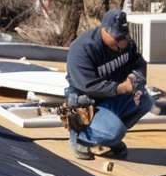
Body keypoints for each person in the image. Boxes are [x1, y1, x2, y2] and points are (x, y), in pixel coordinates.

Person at [65, 10, 153, 160]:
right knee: (114, 131)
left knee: (145, 101)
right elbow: (88, 85)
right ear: (103, 30)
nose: (122, 42)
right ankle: (81, 136)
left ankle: (107, 136)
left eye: (124, 36)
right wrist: (121, 88)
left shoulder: (126, 44)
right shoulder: (83, 48)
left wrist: (135, 76)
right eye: (118, 37)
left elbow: (138, 62)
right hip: (88, 101)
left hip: (112, 96)